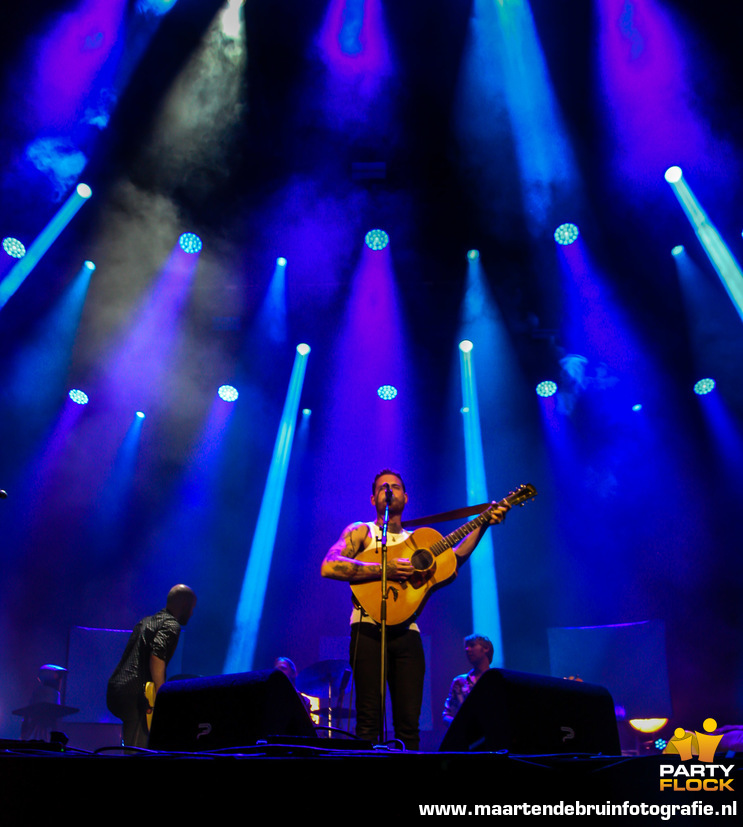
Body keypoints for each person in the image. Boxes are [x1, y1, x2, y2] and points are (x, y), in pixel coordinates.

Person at [321, 468, 508, 751]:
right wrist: (386, 568)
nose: (389, 490)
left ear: (405, 498)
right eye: (383, 487)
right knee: (368, 720)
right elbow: (330, 565)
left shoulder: (420, 540)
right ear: (373, 499)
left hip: (408, 632)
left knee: (409, 723)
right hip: (366, 626)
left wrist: (482, 524)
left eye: (395, 486)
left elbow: (453, 560)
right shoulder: (362, 532)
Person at [106, 584, 197, 747]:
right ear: (184, 605)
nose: (192, 613)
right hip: (136, 694)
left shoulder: (145, 621)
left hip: (117, 688)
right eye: (191, 608)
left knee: (133, 744)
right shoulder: (171, 624)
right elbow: (157, 656)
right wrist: (161, 695)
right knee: (137, 752)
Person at [442, 633, 494, 726]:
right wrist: (460, 726)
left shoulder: (497, 679)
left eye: (472, 645)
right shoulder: (459, 682)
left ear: (486, 648)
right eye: (466, 647)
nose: (467, 649)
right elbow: (447, 714)